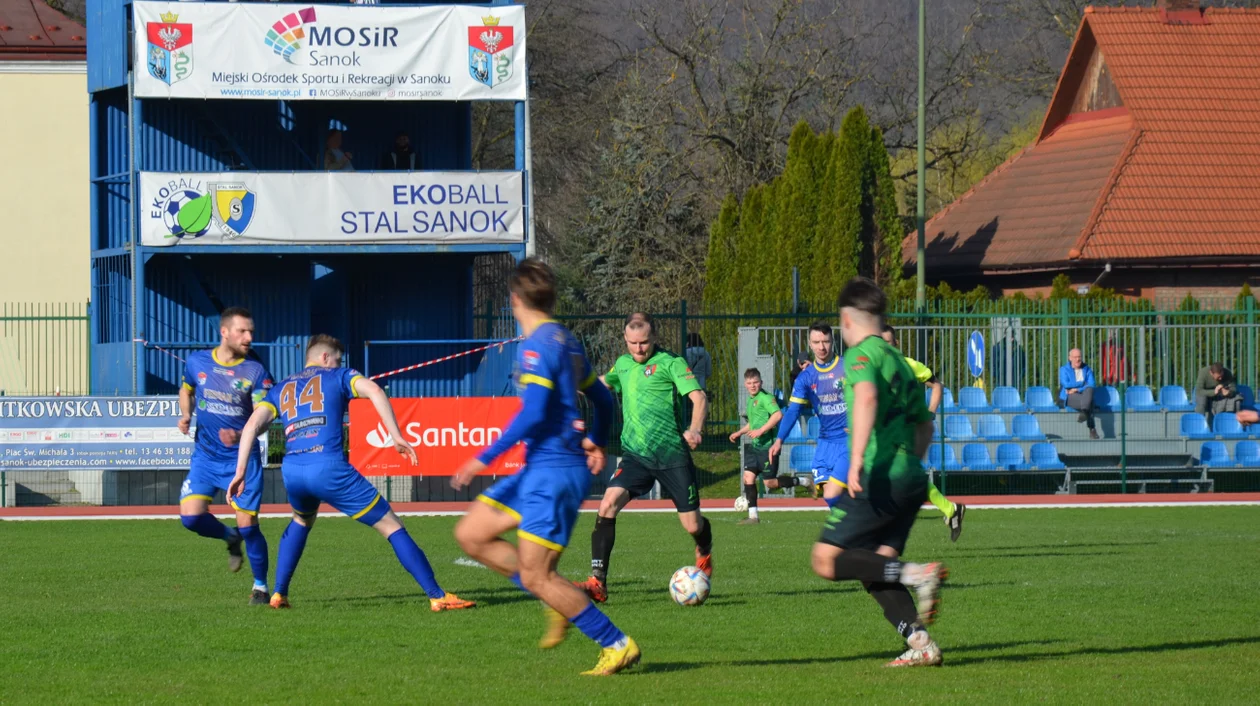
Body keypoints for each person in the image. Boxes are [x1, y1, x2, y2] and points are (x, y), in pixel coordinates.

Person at [452, 258, 638, 677]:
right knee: (471, 533)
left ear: (514, 299)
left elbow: (533, 412)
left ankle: (616, 643)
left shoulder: (537, 345)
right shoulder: (567, 340)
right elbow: (604, 400)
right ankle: (556, 598)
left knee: (538, 575)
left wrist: (483, 457)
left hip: (553, 471)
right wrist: (598, 438)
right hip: (540, 467)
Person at [228, 334, 475, 613]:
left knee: (300, 520)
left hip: (294, 470)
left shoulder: (282, 388)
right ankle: (437, 595)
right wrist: (396, 436)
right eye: (337, 359)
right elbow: (376, 392)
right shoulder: (339, 375)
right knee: (391, 525)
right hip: (328, 466)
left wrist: (240, 473)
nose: (339, 363)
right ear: (325, 358)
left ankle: (278, 593)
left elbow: (250, 427)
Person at [811, 276, 947, 668]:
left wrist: (855, 462)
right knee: (874, 568)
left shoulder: (860, 355)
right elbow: (926, 426)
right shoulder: (901, 364)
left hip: (879, 473)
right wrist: (912, 468)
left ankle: (919, 574)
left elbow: (866, 396)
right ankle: (920, 643)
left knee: (825, 559)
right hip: (910, 478)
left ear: (846, 320)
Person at [574, 313, 712, 604]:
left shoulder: (671, 362)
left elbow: (699, 398)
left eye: (645, 343)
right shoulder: (622, 364)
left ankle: (704, 542)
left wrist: (695, 429)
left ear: (655, 338)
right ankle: (598, 582)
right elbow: (601, 385)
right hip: (635, 456)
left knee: (692, 526)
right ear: (625, 340)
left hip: (672, 456)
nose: (638, 349)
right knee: (607, 504)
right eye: (633, 343)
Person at [177, 307, 273, 605]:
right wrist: (185, 415)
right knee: (190, 519)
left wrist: (244, 432)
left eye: (251, 332)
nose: (249, 337)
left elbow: (265, 414)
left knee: (249, 526)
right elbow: (186, 388)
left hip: (240, 461)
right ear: (224, 332)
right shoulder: (197, 362)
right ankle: (230, 538)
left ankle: (260, 587)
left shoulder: (255, 370)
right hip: (205, 457)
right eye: (242, 331)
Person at [882, 325, 966, 542]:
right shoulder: (875, 368)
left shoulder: (910, 365)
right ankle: (950, 509)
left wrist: (930, 413)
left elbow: (937, 386)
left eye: (889, 344)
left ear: (897, 344)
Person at [769, 322, 847, 504]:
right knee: (830, 496)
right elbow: (793, 411)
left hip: (849, 440)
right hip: (826, 442)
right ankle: (857, 529)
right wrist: (779, 439)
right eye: (817, 342)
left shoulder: (847, 367)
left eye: (826, 341)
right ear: (810, 344)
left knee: (846, 493)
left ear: (832, 341)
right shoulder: (805, 377)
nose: (822, 347)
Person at [730, 368, 786, 525]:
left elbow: (777, 415)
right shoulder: (750, 400)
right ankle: (753, 516)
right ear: (745, 384)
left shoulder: (766, 398)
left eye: (755, 382)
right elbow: (752, 424)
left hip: (768, 447)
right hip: (754, 447)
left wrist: (761, 430)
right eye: (749, 383)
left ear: (761, 382)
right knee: (748, 477)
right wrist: (739, 432)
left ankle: (802, 482)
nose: (753, 386)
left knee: (770, 483)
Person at [1058, 349, 1099, 439]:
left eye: (1079, 357)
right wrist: (1083, 383)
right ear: (1070, 358)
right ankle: (1092, 428)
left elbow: (1092, 384)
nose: (1077, 359)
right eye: (1075, 357)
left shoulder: (1087, 369)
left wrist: (1077, 389)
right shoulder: (1063, 369)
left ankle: (1084, 412)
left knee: (1089, 390)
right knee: (1089, 402)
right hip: (1070, 396)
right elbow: (1066, 384)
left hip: (1084, 394)